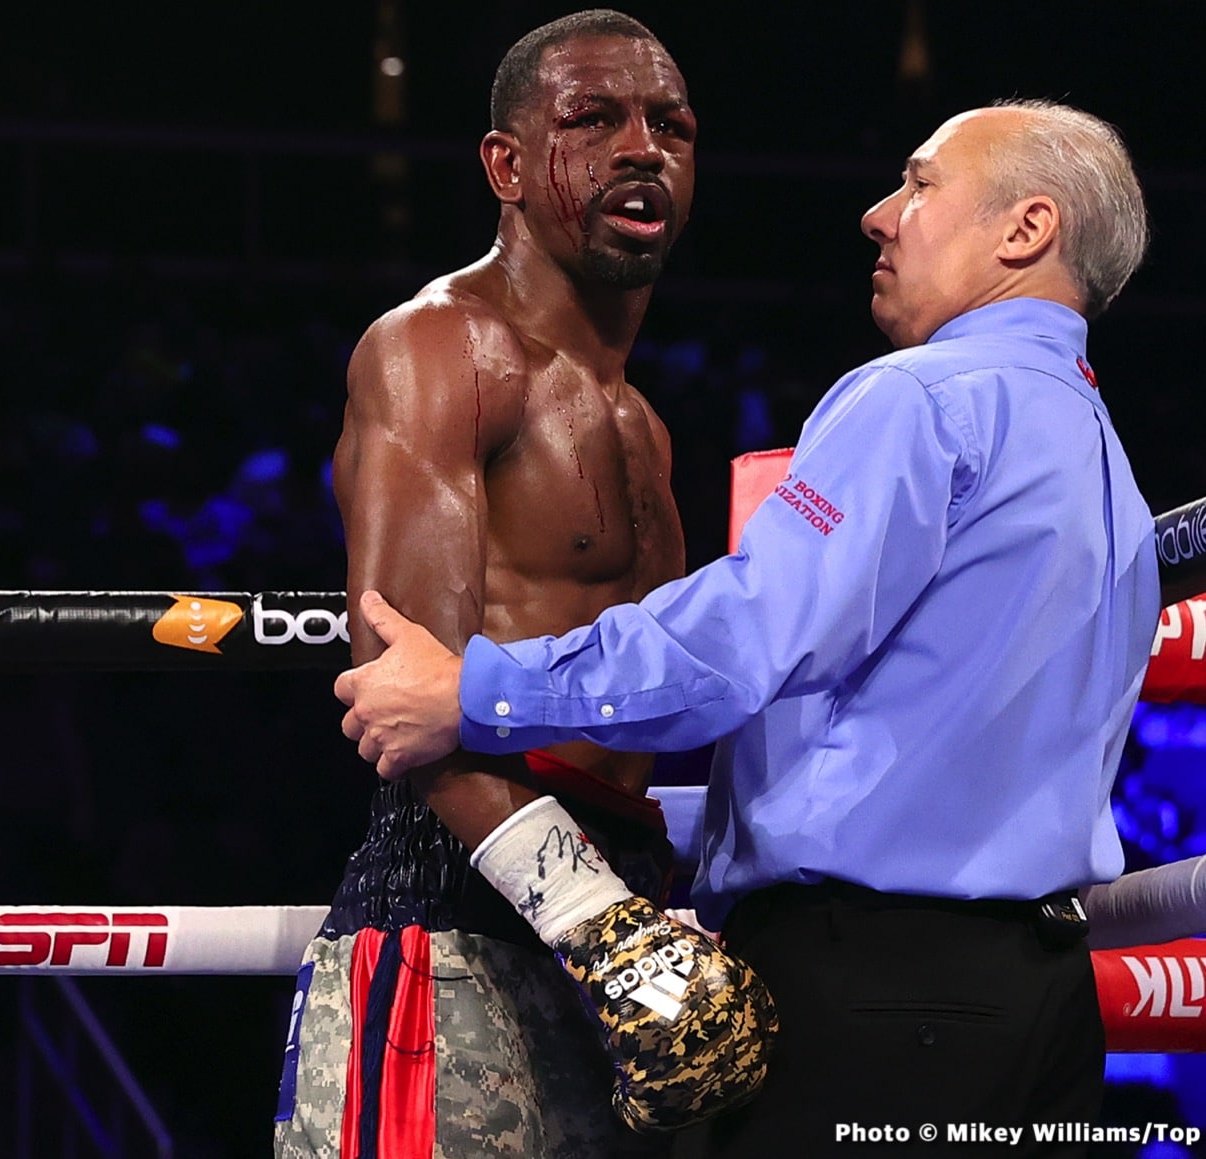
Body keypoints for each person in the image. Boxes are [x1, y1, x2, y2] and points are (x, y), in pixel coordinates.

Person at [336, 98, 1161, 1156]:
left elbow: (747, 634)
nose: (879, 214)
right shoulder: (1102, 455)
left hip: (877, 991)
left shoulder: (925, 398)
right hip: (1039, 1004)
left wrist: (477, 690)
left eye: (917, 184)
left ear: (1025, 230)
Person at [275, 11, 774, 1159]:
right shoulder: (439, 349)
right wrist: (592, 917)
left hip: (615, 914)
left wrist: (622, 922)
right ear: (504, 165)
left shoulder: (640, 422)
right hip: (462, 907)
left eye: (670, 125)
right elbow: (407, 685)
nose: (640, 147)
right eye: (592, 120)